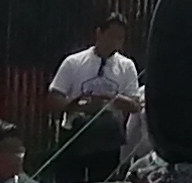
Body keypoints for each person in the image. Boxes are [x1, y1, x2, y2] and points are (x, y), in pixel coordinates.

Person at [51, 12, 152, 168]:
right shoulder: (73, 62)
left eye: (120, 38)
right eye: (111, 36)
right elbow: (54, 97)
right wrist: (78, 105)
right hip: (75, 132)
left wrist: (111, 100)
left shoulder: (127, 66)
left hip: (108, 137)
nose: (114, 42)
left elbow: (134, 105)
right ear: (99, 33)